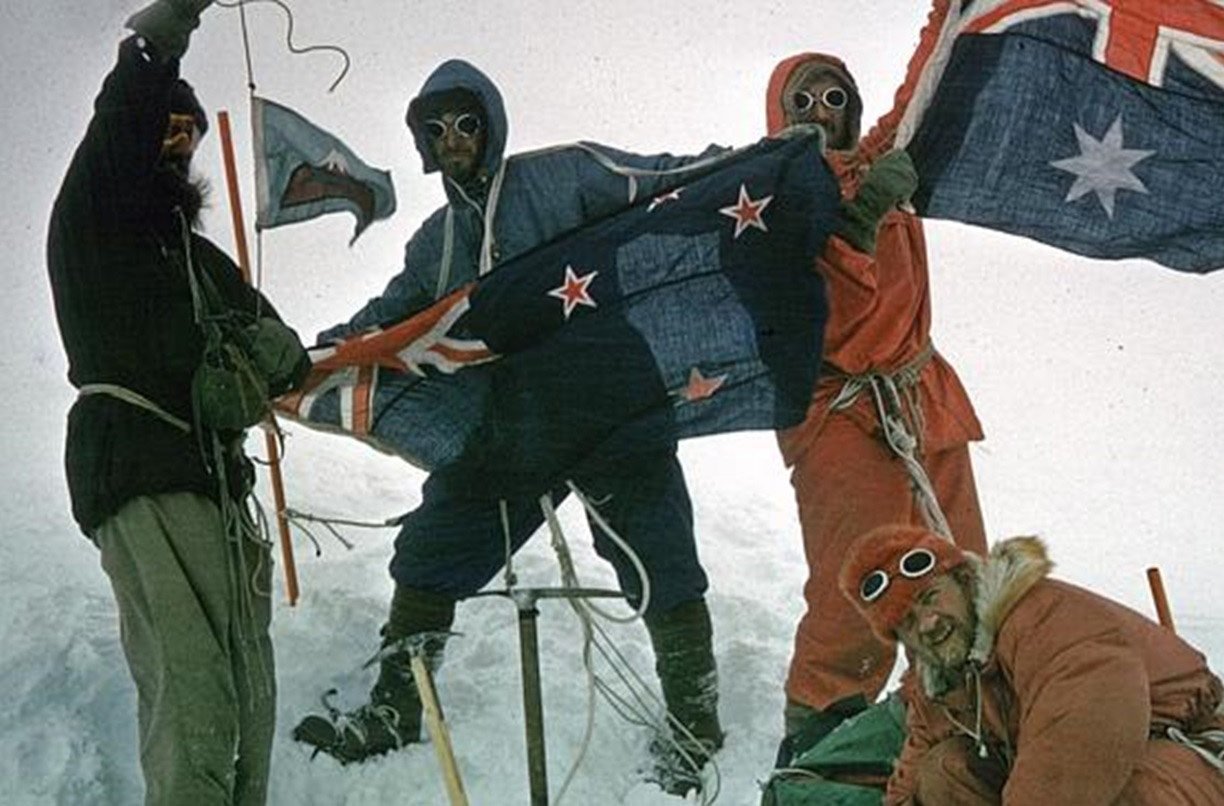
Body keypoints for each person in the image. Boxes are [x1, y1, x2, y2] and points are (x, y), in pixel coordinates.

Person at [292, 59, 734, 795]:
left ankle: (696, 723)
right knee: (432, 548)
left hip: (612, 403)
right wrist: (302, 358)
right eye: (437, 130)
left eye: (467, 122)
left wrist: (760, 158)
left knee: (658, 554)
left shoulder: (564, 175)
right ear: (424, 144)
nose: (455, 138)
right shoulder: (436, 240)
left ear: (490, 123)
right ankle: (399, 708)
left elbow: (666, 178)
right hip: (517, 425)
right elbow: (389, 318)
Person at [46, 1, 310, 803]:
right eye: (166, 128)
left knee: (247, 702)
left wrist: (274, 355)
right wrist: (162, 41)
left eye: (189, 133)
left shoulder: (201, 260)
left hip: (218, 485)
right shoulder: (93, 225)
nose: (180, 142)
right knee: (194, 699)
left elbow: (284, 352)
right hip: (139, 464)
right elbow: (120, 122)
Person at [765, 0, 989, 760]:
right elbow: (798, 306)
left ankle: (958, 704)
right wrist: (856, 220)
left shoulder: (880, 158)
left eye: (834, 98)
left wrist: (950, 13)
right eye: (803, 100)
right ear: (779, 112)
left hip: (920, 393)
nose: (822, 112)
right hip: (836, 407)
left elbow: (923, 88)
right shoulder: (764, 197)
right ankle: (822, 724)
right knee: (854, 573)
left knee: (958, 557)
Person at [837, 525, 1224, 805]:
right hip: (1086, 775)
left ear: (963, 578)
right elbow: (913, 773)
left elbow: (1081, 737)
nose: (929, 623)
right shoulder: (937, 677)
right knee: (944, 773)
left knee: (1130, 792)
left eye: (930, 598)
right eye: (909, 622)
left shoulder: (1040, 617)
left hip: (1209, 754)